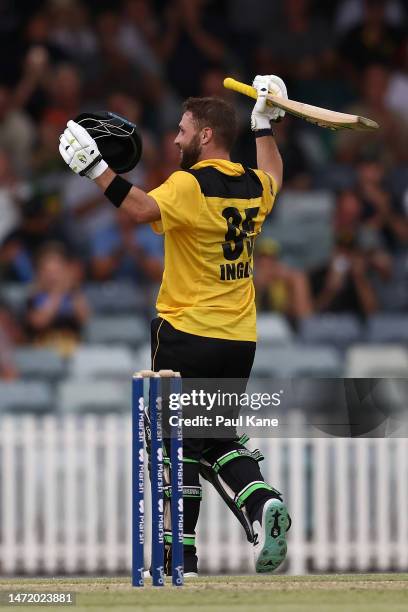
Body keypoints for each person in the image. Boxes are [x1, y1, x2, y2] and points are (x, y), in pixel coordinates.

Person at [58, 75, 291, 576]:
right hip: (239, 339)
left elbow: (140, 209)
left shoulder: (190, 184)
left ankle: (180, 555)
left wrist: (95, 168)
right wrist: (265, 125)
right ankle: (260, 503)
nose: (176, 138)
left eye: (183, 130)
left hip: (186, 333)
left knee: (176, 445)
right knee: (219, 441)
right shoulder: (252, 186)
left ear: (206, 135)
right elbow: (273, 175)